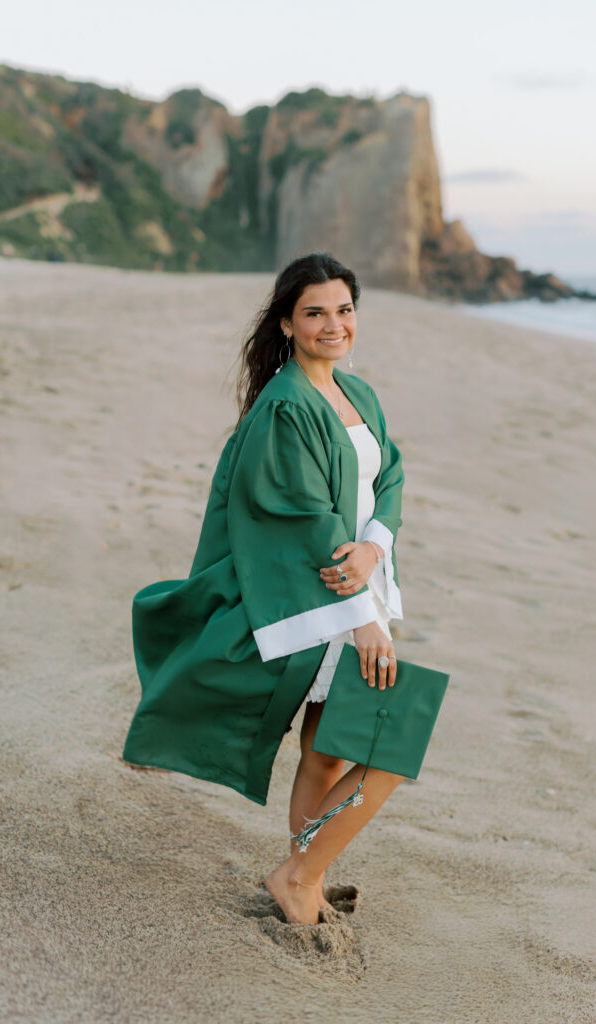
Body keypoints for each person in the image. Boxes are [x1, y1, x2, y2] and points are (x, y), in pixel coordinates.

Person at [122, 252, 406, 925]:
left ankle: (306, 873)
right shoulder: (284, 408)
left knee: (327, 750)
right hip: (330, 600)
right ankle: (299, 874)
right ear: (287, 322)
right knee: (391, 742)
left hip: (358, 582)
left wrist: (374, 546)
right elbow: (306, 516)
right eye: (315, 312)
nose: (333, 324)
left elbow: (389, 475)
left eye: (343, 309)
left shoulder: (356, 393)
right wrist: (360, 609)